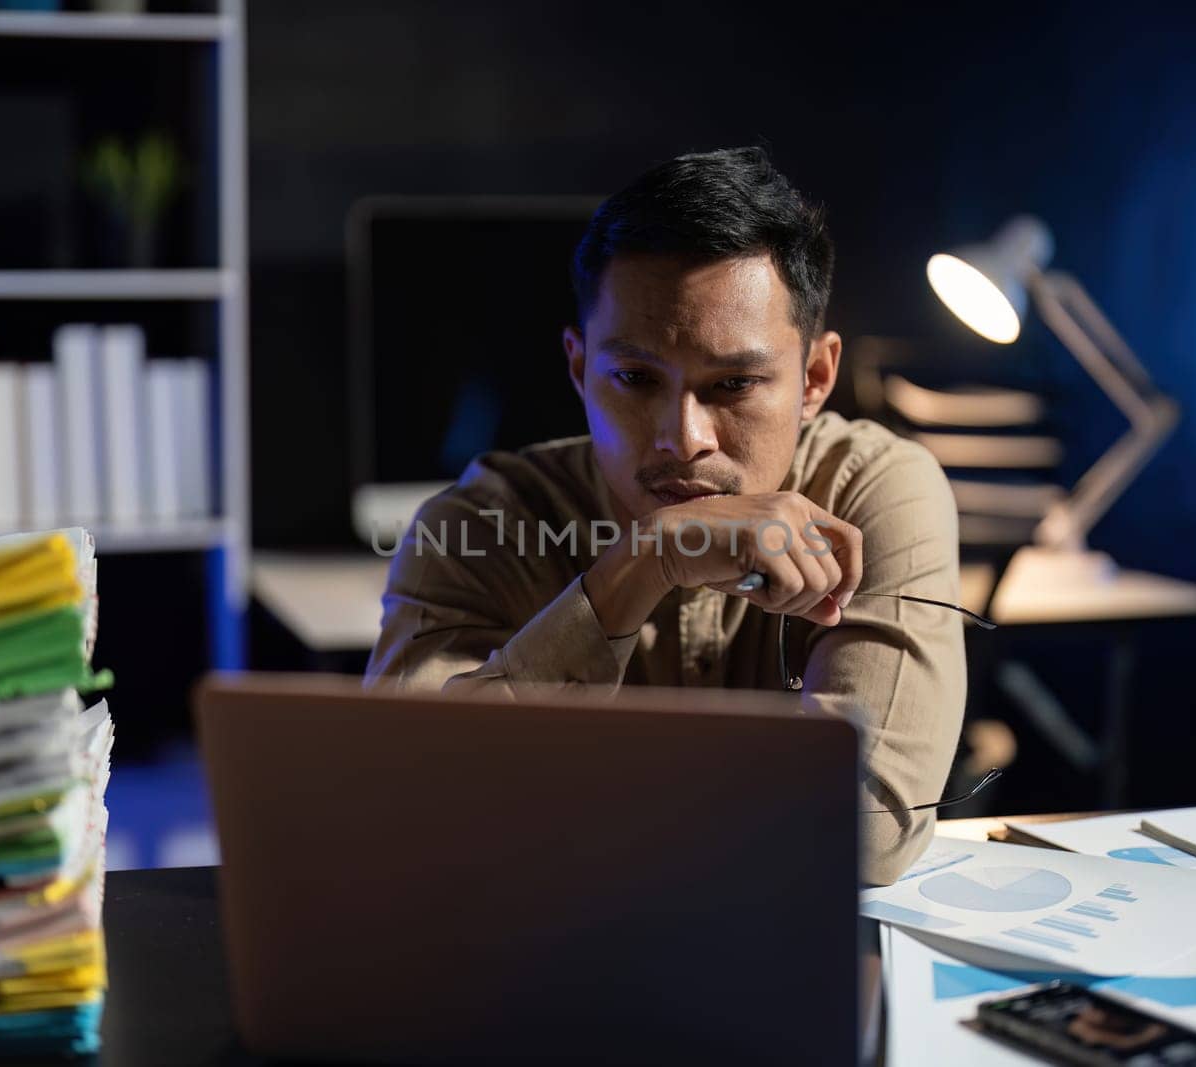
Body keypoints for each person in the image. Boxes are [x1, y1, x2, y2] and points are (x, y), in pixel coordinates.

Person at [364, 146, 965, 884]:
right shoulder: (473, 522)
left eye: (734, 383)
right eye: (637, 378)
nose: (683, 439)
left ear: (814, 379)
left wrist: (547, 799)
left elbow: (866, 829)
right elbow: (398, 811)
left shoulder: (879, 489)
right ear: (581, 370)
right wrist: (645, 561)